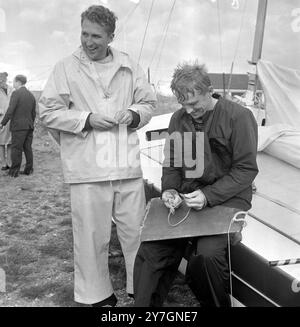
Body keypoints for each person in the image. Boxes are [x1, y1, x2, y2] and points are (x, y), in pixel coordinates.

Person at [38, 5, 156, 307]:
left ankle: (137, 287)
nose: (88, 42)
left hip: (125, 163)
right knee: (91, 235)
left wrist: (132, 114)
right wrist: (86, 119)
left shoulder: (130, 65)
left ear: (111, 37)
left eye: (96, 36)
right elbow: (48, 113)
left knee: (135, 231)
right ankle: (97, 295)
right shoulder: (65, 67)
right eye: (84, 34)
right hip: (87, 166)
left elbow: (148, 103)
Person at [134, 63, 258, 307]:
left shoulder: (239, 117)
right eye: (183, 105)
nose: (189, 111)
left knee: (207, 257)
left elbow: (246, 170)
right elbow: (172, 163)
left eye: (194, 104)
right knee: (153, 249)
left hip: (228, 198)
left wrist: (208, 195)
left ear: (209, 91)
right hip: (187, 197)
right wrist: (170, 189)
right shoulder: (178, 119)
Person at [0, 75, 36, 177]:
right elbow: (33, 113)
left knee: (16, 149)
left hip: (18, 127)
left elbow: (10, 110)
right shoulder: (31, 95)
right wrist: (31, 123)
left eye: (14, 82)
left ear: (18, 82)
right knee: (27, 148)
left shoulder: (16, 94)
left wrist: (3, 123)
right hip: (29, 126)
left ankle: (14, 171)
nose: (13, 84)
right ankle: (28, 170)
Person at [0, 72, 13, 171]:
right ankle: (3, 163)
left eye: (3, 78)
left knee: (9, 141)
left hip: (10, 119)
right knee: (1, 142)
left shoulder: (11, 89)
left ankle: (9, 162)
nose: (2, 80)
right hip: (0, 119)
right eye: (0, 78)